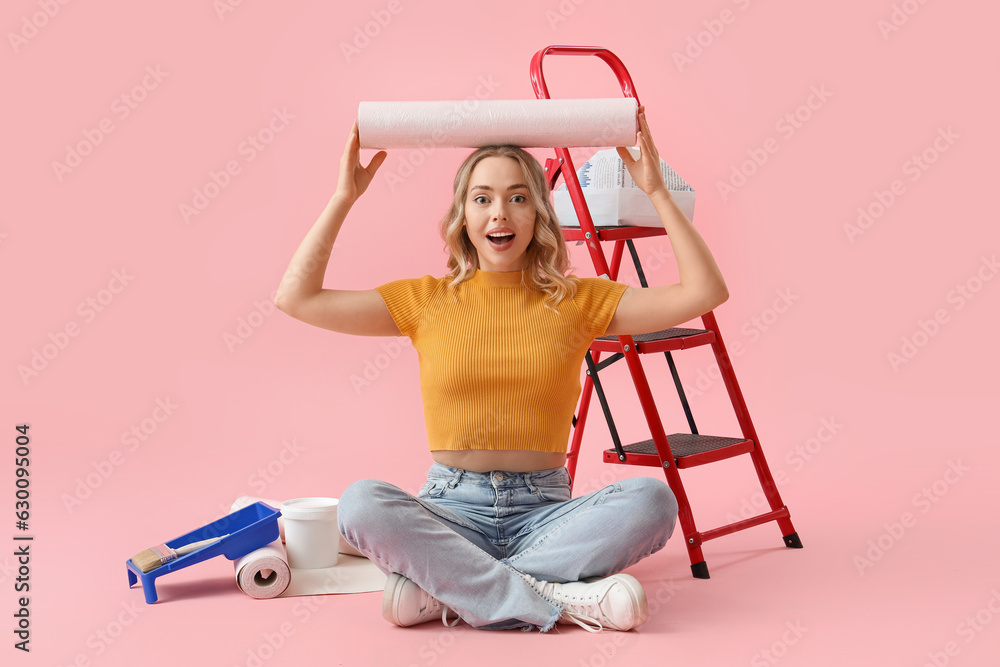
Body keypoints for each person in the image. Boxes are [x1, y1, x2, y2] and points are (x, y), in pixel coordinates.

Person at [274, 106, 728, 632]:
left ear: (538, 213)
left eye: (518, 198)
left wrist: (655, 191)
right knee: (360, 505)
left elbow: (704, 292)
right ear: (462, 216)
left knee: (651, 500)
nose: (500, 214)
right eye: (482, 199)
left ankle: (448, 590)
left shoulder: (578, 300)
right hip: (451, 511)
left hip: (545, 515)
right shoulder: (425, 300)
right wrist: (343, 197)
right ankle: (554, 598)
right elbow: (297, 298)